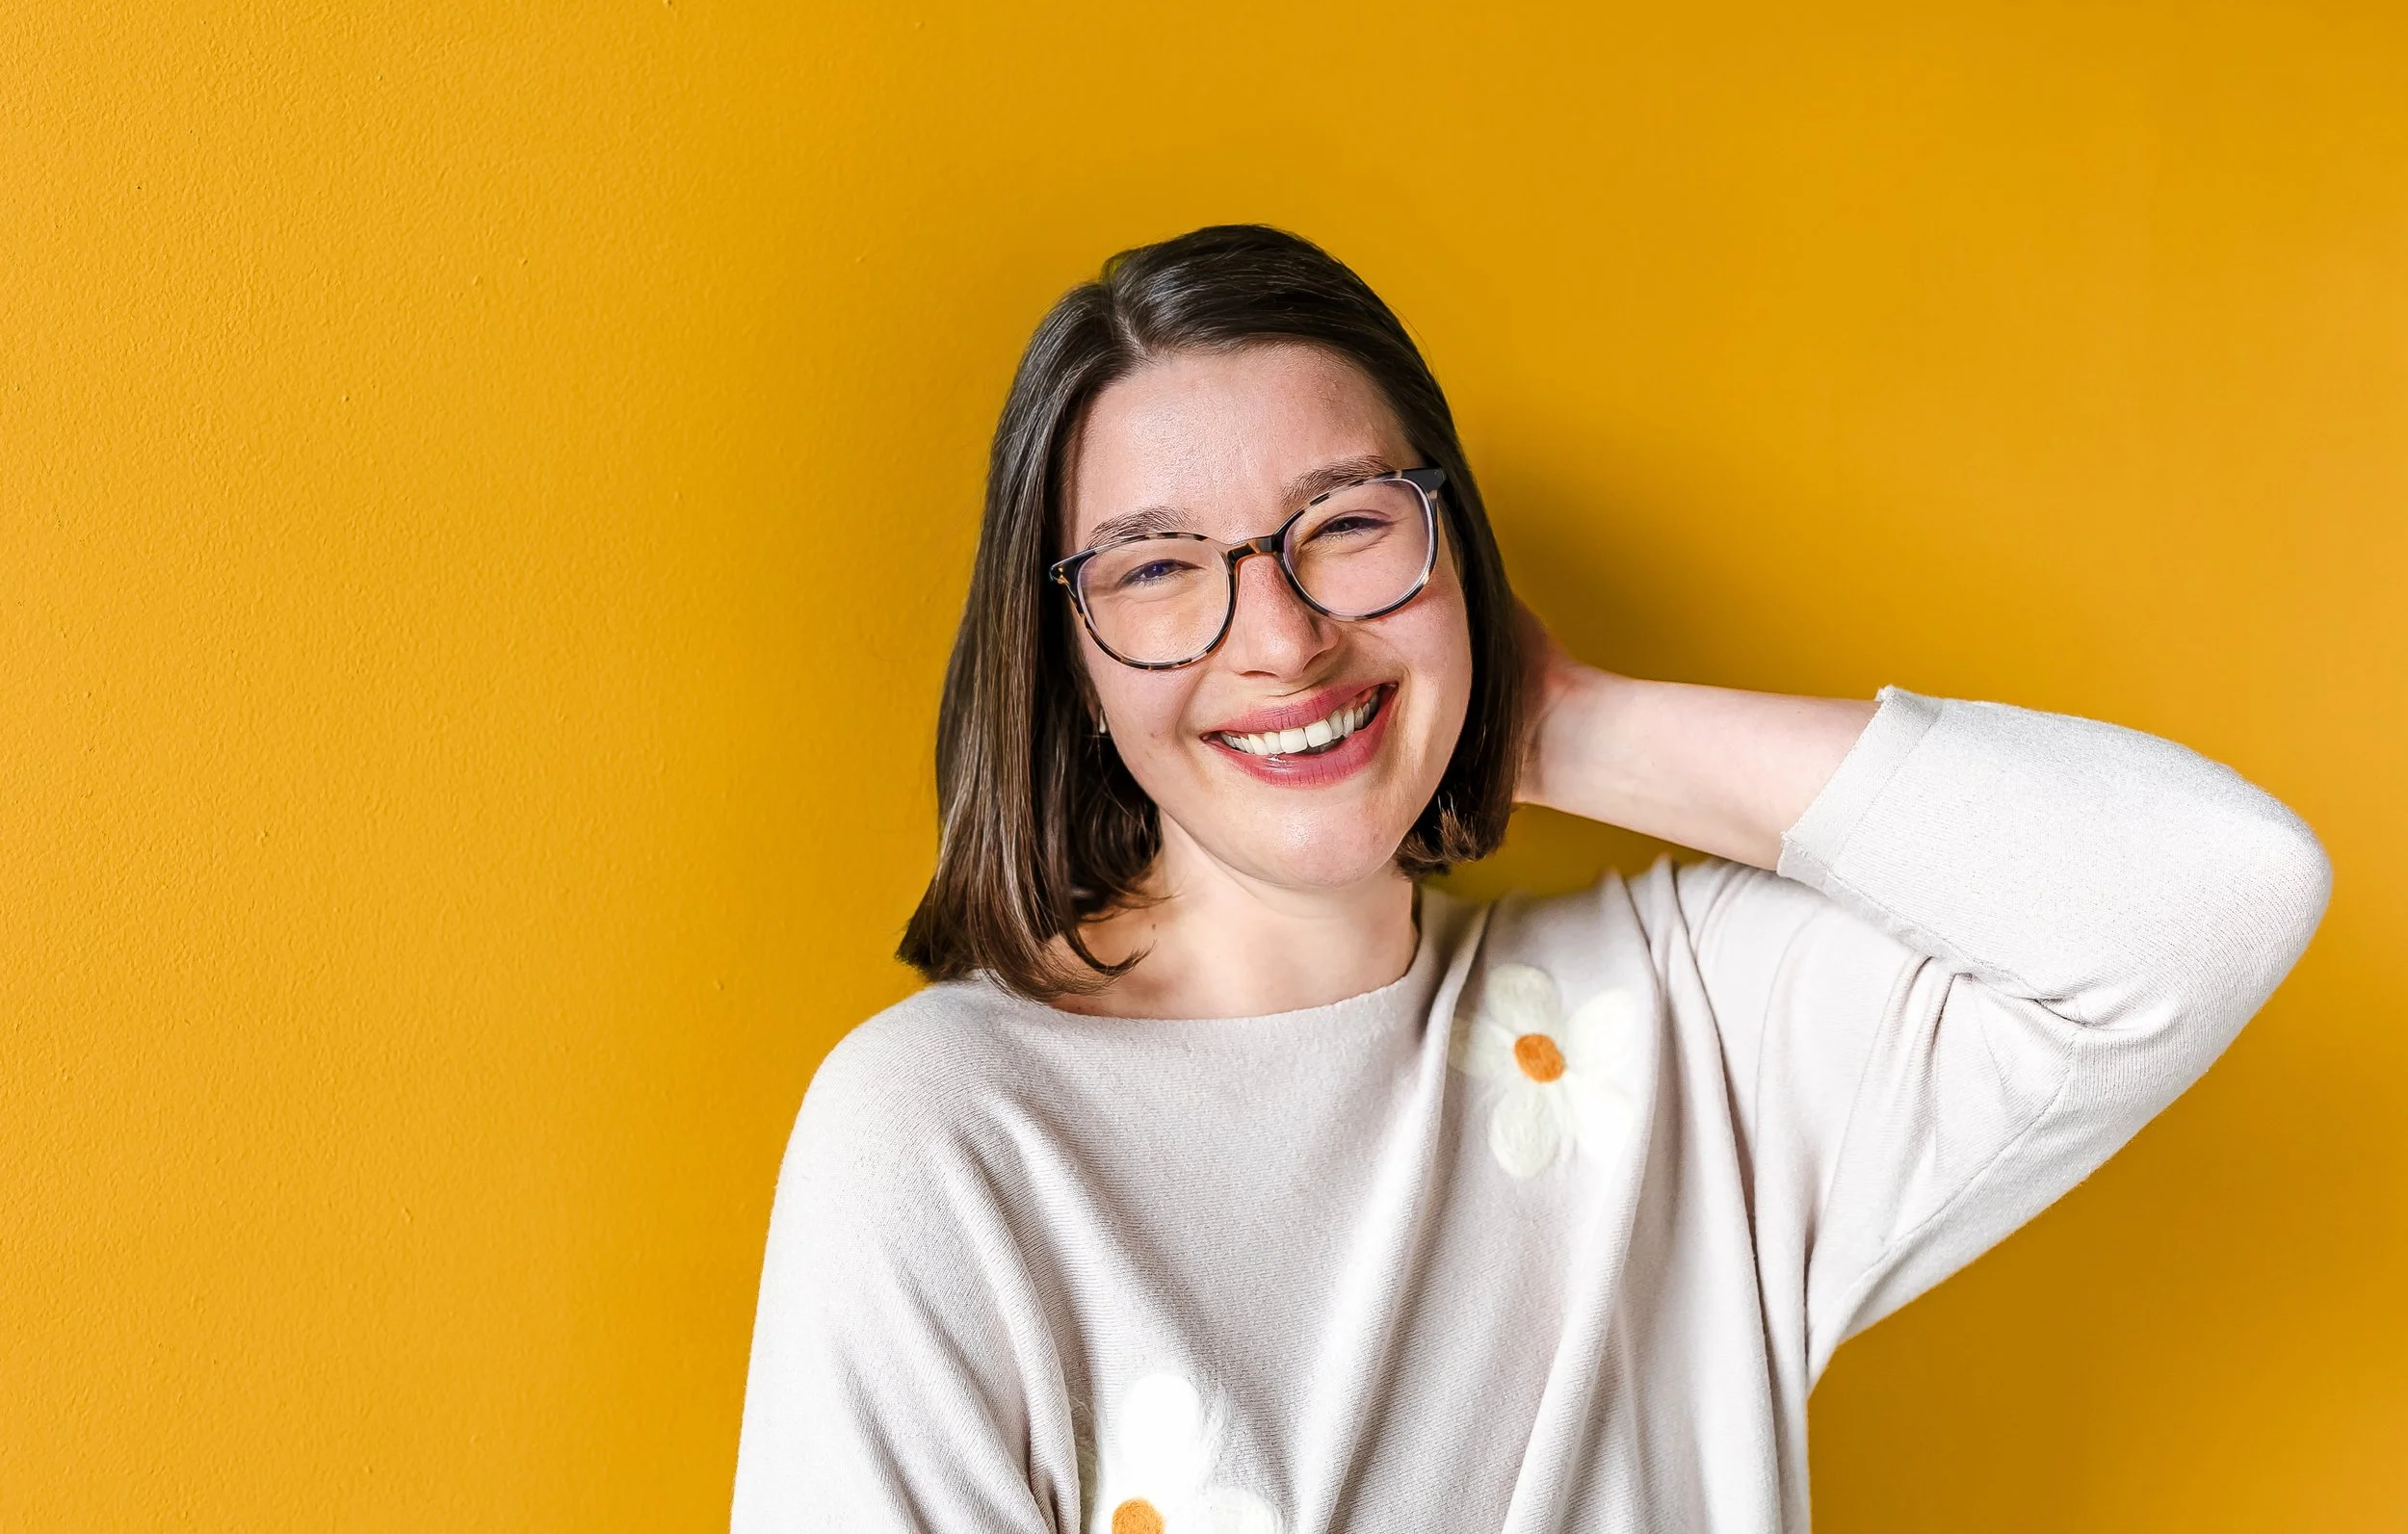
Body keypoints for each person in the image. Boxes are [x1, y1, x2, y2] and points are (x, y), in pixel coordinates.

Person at [729, 225, 2329, 1533]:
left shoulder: (1685, 1026)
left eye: (1345, 525)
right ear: (1071, 661)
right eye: (1156, 568)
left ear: (1460, 558)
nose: (1280, 638)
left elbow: (2216, 892)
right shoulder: (949, 1133)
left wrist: (1560, 721)